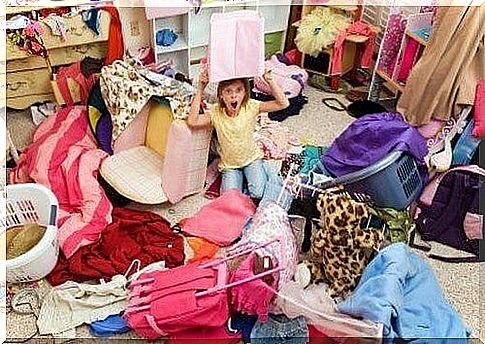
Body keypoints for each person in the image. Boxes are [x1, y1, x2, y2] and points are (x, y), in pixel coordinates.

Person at [187, 68, 289, 199]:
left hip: (251, 159)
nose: (233, 96)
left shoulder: (251, 106)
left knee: (258, 193)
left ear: (245, 92)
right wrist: (201, 88)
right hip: (229, 165)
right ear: (222, 95)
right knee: (229, 199)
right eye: (228, 91)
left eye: (238, 90)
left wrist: (269, 80)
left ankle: (263, 168)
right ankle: (245, 178)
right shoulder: (215, 112)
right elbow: (192, 121)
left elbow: (283, 104)